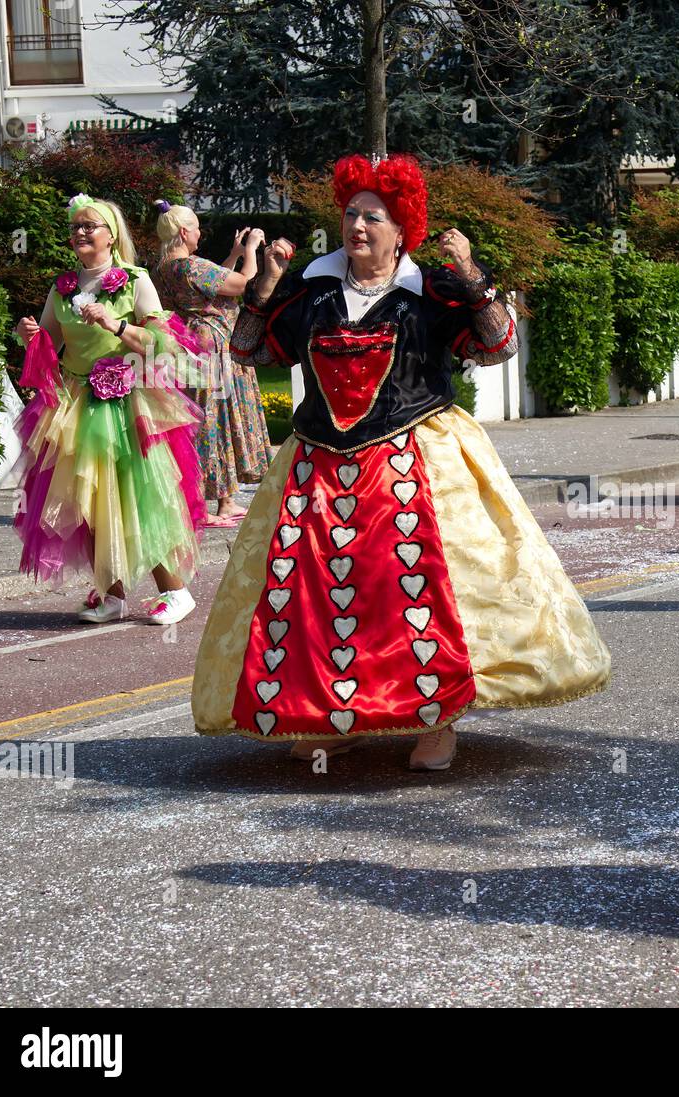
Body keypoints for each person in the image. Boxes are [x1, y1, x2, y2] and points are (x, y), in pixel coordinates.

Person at [191, 153, 611, 769]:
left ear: (401, 230)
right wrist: (265, 285)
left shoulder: (431, 293)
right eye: (351, 215)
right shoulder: (313, 289)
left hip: (416, 457)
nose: (358, 227)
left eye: (373, 218)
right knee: (322, 595)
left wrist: (470, 272)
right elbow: (248, 350)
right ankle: (334, 715)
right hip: (318, 467)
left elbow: (497, 344)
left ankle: (436, 722)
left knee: (420, 593)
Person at [11, 194, 205, 626]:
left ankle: (175, 590)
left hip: (129, 403)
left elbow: (161, 344)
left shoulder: (135, 281)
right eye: (76, 226)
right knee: (94, 499)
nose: (80, 232)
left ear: (111, 235)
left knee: (142, 496)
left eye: (90, 225)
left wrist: (115, 324)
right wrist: (30, 336)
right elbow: (47, 346)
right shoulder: (62, 288)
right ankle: (113, 594)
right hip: (78, 405)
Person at [152, 202, 272, 527]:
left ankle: (225, 500)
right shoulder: (191, 266)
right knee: (213, 421)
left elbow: (210, 287)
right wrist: (250, 249)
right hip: (213, 347)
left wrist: (232, 255)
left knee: (205, 417)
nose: (200, 233)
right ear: (183, 232)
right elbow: (245, 284)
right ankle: (205, 504)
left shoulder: (163, 268)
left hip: (187, 344)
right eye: (196, 227)